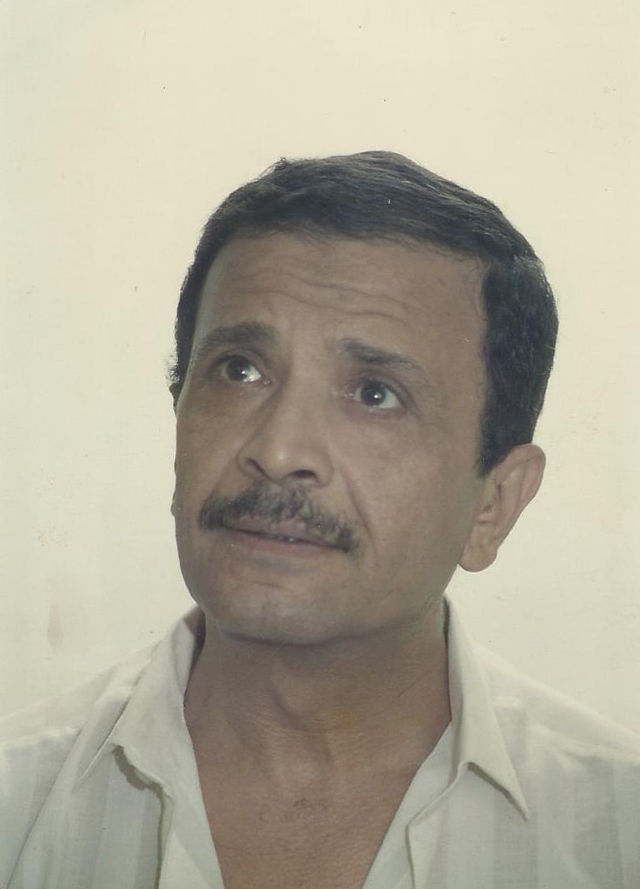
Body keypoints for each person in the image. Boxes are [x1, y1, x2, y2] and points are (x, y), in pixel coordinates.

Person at [1, 151, 638, 889]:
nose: (277, 452)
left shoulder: (616, 832)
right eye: (240, 370)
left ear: (494, 503)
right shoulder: (18, 809)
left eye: (375, 394)